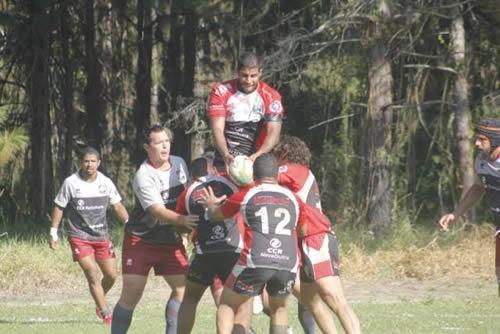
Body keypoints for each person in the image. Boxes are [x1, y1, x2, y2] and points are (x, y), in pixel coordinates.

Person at [201, 153, 308, 334]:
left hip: (256, 260)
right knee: (279, 308)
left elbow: (215, 216)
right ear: (276, 174)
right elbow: (303, 231)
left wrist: (211, 205)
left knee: (227, 304)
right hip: (288, 262)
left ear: (254, 175)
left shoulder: (247, 194)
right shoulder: (294, 198)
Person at [111, 124, 199, 334]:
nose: (165, 145)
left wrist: (186, 233)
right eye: (159, 142)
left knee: (183, 290)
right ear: (147, 147)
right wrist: (184, 221)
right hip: (141, 240)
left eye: (167, 140)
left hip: (169, 239)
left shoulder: (179, 163)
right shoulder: (143, 175)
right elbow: (157, 211)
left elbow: (185, 197)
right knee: (132, 294)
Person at [273, 136, 361, 334]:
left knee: (334, 298)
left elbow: (265, 173)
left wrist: (243, 163)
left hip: (316, 239)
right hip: (303, 242)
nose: (274, 160)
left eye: (276, 156)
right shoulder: (292, 176)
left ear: (285, 155)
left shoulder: (295, 169)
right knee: (312, 302)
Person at [49, 146, 129, 325]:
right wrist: (53, 232)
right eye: (86, 161)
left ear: (99, 163)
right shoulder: (71, 183)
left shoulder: (106, 182)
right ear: (80, 162)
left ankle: (98, 299)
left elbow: (117, 205)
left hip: (102, 236)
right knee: (92, 273)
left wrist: (129, 224)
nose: (89, 165)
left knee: (111, 276)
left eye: (93, 161)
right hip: (79, 236)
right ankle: (106, 313)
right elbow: (59, 206)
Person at [176, 156, 251, 333]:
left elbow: (180, 223)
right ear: (214, 170)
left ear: (193, 175)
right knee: (243, 302)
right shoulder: (229, 182)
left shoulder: (187, 192)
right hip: (232, 252)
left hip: (204, 253)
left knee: (190, 299)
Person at [438, 118, 500, 297]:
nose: (477, 143)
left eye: (483, 139)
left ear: (495, 140)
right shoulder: (481, 162)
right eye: (476, 139)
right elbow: (478, 188)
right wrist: (455, 214)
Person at [207, 51, 284, 168]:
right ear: (237, 72)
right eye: (244, 75)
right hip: (225, 159)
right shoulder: (221, 91)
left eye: (253, 76)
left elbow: (274, 132)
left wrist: (258, 155)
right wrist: (225, 154)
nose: (248, 81)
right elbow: (217, 128)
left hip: (256, 160)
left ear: (260, 73)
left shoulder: (271, 96)